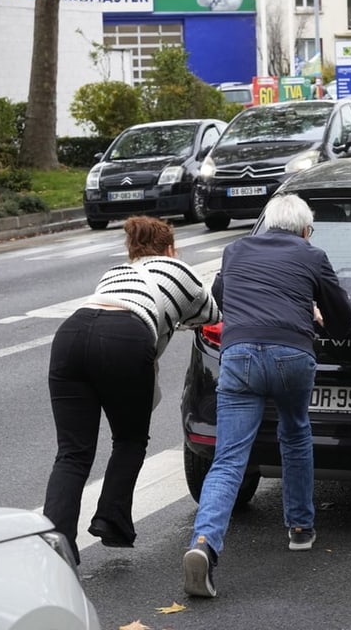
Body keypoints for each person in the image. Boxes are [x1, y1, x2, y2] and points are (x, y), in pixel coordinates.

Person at [183, 193, 351, 598]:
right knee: (294, 433)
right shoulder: (312, 255)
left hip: (239, 356)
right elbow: (342, 320)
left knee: (228, 459)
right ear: (305, 230)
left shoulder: (234, 251)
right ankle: (299, 527)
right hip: (292, 355)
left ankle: (204, 544)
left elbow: (221, 301)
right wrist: (313, 312)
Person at [43, 216, 221, 564]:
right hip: (124, 338)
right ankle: (111, 519)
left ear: (132, 249)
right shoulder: (179, 270)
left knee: (72, 453)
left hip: (70, 335)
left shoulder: (114, 274)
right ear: (170, 248)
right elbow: (212, 313)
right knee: (129, 439)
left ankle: (55, 545)